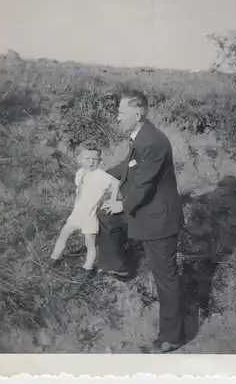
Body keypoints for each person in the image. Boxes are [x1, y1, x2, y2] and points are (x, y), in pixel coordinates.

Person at [99, 90, 185, 353]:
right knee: (106, 218)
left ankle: (172, 336)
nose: (117, 118)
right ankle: (122, 267)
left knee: (165, 278)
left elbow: (144, 183)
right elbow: (128, 166)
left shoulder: (154, 141)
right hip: (146, 210)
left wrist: (121, 204)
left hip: (159, 219)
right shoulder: (140, 137)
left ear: (137, 114)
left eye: (120, 113)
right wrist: (98, 176)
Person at [50, 142, 120, 279]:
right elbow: (79, 191)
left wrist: (113, 200)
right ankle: (54, 257)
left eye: (95, 159)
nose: (91, 162)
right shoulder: (81, 173)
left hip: (89, 216)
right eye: (88, 159)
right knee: (64, 233)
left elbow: (115, 182)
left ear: (99, 160)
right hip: (77, 214)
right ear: (80, 159)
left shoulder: (101, 175)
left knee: (90, 243)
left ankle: (87, 268)